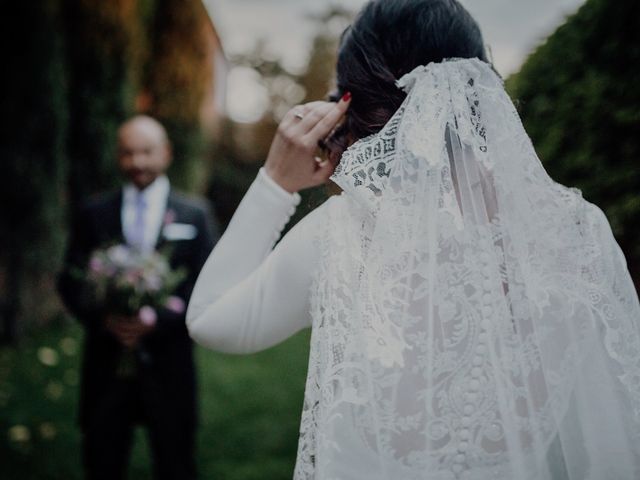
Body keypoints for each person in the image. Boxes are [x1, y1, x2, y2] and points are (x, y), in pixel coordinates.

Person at [187, 1, 640, 479]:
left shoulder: (344, 234)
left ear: (351, 103)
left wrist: (275, 183)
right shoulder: (578, 230)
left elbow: (209, 320)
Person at [58, 115, 218, 480]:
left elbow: (207, 284)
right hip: (105, 364)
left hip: (170, 367)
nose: (138, 163)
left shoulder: (196, 214)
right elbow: (70, 279)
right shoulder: (92, 213)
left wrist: (157, 320)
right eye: (128, 153)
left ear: (166, 153)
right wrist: (104, 319)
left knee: (175, 465)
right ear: (118, 157)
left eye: (146, 152)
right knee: (102, 463)